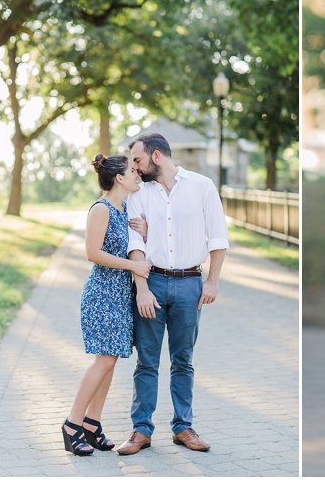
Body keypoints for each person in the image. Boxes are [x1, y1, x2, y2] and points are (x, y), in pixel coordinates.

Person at [115, 132, 229, 456]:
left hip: (190, 284)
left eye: (137, 160)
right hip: (152, 282)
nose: (134, 168)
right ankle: (141, 431)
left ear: (156, 156)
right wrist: (141, 290)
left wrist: (213, 281)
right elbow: (135, 245)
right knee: (146, 361)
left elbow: (218, 238)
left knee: (183, 361)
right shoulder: (138, 193)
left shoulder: (202, 186)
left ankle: (183, 427)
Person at [61, 154, 152, 456]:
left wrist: (144, 232)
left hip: (120, 295)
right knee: (104, 361)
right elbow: (92, 252)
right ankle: (72, 425)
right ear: (119, 178)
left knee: (110, 361)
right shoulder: (101, 209)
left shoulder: (125, 209)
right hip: (102, 294)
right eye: (132, 171)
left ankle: (92, 424)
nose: (138, 174)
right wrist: (132, 266)